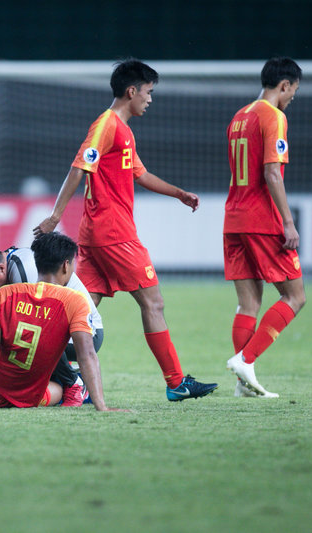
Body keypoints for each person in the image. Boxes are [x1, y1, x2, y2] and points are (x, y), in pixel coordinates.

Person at [33, 58, 218, 402]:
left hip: (96, 236)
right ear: (131, 91)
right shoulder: (106, 125)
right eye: (148, 92)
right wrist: (55, 217)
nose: (150, 99)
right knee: (154, 303)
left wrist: (178, 193)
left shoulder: (123, 130)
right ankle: (176, 382)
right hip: (114, 235)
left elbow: (140, 175)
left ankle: (37, 372)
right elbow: (78, 168)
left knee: (79, 310)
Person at [0, 233, 124, 411]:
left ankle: (73, 383)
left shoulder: (25, 273)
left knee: (12, 332)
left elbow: (38, 325)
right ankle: (41, 383)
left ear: (1, 268)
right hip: (41, 328)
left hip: (83, 332)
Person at [224, 58, 305, 398]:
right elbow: (272, 173)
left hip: (234, 217)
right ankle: (247, 360)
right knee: (295, 296)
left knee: (248, 304)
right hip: (262, 220)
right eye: (293, 91)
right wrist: (288, 221)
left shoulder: (239, 116)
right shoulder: (274, 117)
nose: (292, 99)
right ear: (283, 85)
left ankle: (244, 383)